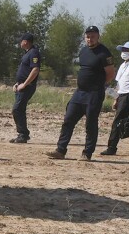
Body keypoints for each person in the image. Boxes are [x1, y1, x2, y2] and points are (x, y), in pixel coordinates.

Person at [48, 26, 114, 161]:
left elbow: (110, 74)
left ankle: (87, 153)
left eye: (93, 36)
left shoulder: (104, 53)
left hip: (94, 94)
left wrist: (98, 86)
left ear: (98, 36)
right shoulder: (83, 51)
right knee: (68, 120)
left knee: (90, 123)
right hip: (79, 93)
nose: (90, 39)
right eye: (88, 36)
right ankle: (60, 150)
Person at [11, 32, 41, 144]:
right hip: (21, 86)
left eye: (21, 41)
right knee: (20, 110)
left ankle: (23, 134)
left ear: (26, 41)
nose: (20, 43)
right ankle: (21, 134)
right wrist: (17, 83)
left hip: (27, 87)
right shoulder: (27, 53)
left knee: (17, 109)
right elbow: (24, 71)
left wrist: (25, 84)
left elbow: (35, 70)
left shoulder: (34, 53)